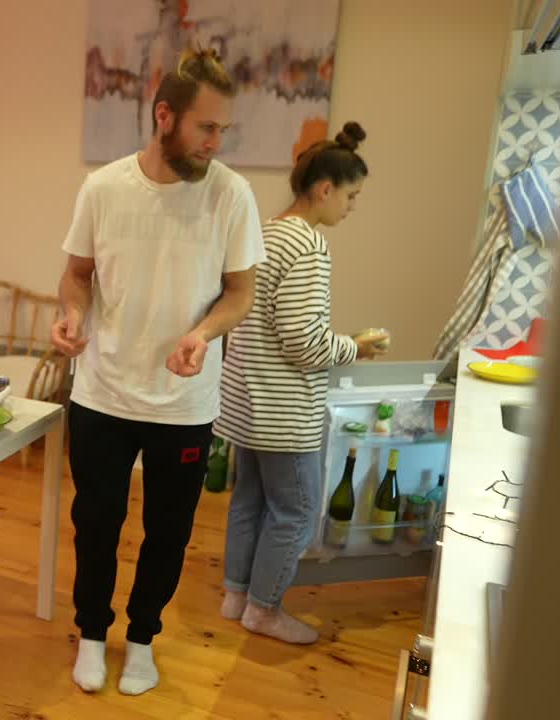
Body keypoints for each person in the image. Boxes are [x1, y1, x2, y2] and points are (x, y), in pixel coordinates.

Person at [50, 46, 265, 695]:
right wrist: (71, 314)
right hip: (102, 393)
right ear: (164, 115)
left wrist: (202, 334)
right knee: (96, 524)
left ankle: (142, 638)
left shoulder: (232, 195)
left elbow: (240, 292)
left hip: (184, 402)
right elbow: (77, 275)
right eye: (206, 127)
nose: (215, 142)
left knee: (168, 533)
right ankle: (91, 633)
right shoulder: (104, 189)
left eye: (224, 129)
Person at [215, 122, 385, 644]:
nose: (351, 209)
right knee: (297, 511)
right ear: (325, 188)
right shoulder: (308, 245)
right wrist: (355, 346)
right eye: (351, 196)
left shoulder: (264, 232)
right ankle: (264, 611)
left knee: (249, 501)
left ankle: (236, 595)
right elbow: (304, 342)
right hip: (283, 411)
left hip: (244, 403)